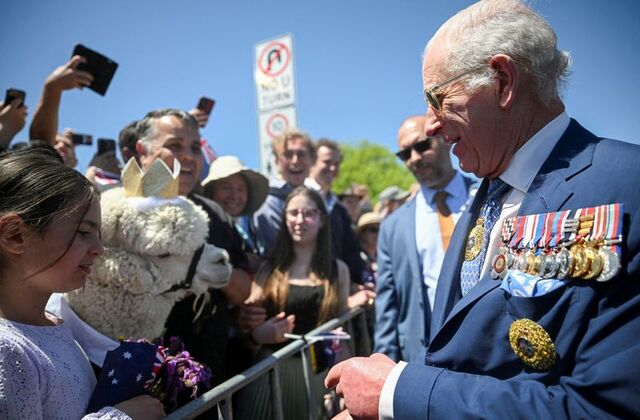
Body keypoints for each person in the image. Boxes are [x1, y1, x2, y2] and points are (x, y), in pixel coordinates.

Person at [325, 1, 640, 418]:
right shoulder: (489, 191)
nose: (431, 123)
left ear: (503, 81)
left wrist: (397, 393)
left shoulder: (626, 186)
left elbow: (603, 409)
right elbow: (459, 355)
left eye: (438, 97)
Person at [0, 149, 164, 419]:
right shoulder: (7, 349)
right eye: (84, 232)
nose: (99, 249)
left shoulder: (55, 326)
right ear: (15, 235)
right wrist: (121, 417)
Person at [131, 109, 250, 386]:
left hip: (209, 379)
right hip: (139, 381)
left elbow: (244, 290)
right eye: (174, 146)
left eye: (195, 148)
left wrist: (202, 260)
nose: (188, 156)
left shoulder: (215, 214)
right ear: (143, 151)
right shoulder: (121, 212)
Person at [236, 186, 374, 420]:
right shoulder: (268, 269)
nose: (300, 220)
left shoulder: (338, 270)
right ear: (285, 218)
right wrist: (259, 335)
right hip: (270, 377)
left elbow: (338, 329)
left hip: (316, 376)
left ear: (321, 219)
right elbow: (244, 330)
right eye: (293, 213)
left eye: (308, 213)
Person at [374, 115, 475, 363]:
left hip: (486, 347)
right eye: (405, 154)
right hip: (423, 359)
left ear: (444, 140)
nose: (414, 158)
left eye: (421, 146)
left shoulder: (487, 197)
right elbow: (387, 306)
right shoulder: (392, 227)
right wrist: (384, 371)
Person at [307, 139, 369, 284]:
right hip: (307, 285)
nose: (333, 168)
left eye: (337, 164)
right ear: (312, 162)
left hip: (336, 286)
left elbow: (351, 252)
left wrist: (366, 279)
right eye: (327, 162)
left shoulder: (338, 209)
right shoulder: (298, 198)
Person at [253, 129, 316, 252]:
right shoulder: (268, 201)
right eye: (288, 155)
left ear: (312, 160)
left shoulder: (315, 199)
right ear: (277, 162)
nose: (295, 160)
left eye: (301, 154)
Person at [202, 155, 269, 258]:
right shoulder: (204, 229)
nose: (234, 196)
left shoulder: (237, 231)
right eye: (226, 188)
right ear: (211, 191)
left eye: (241, 189)